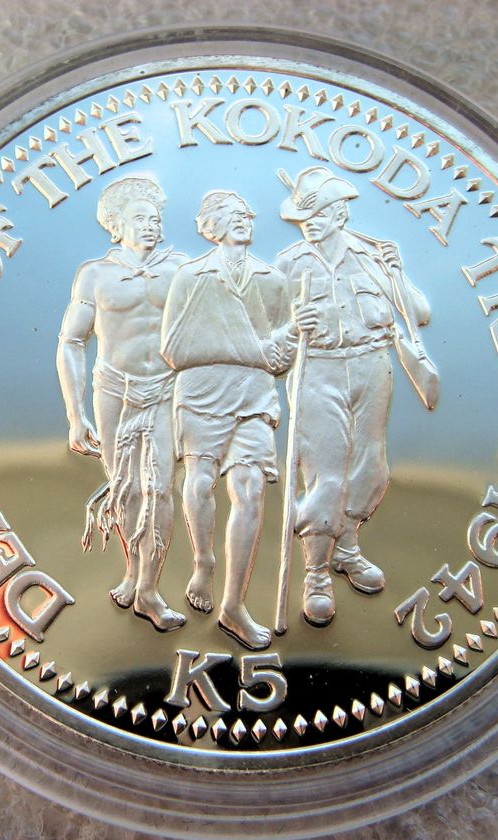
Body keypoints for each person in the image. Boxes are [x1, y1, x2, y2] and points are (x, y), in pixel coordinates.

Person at [276, 166, 431, 626]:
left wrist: (398, 273)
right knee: (325, 473)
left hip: (372, 364)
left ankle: (347, 548)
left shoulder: (372, 256)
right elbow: (264, 332)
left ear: (340, 214)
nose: (310, 223)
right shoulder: (288, 263)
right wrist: (292, 325)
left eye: (319, 214)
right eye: (304, 217)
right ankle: (316, 573)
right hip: (317, 369)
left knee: (371, 466)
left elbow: (420, 313)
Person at [161, 190, 294, 650]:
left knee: (250, 488)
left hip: (254, 394)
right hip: (202, 392)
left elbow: (282, 349)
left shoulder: (273, 280)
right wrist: (253, 350)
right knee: (199, 482)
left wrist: (285, 345)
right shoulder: (190, 276)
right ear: (212, 225)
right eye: (233, 215)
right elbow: (173, 349)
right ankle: (204, 562)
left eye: (246, 214)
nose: (243, 220)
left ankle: (234, 605)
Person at [56, 175, 188, 631]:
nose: (152, 225)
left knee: (159, 488)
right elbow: (72, 341)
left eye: (156, 218)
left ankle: (148, 590)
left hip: (168, 390)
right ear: (116, 225)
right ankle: (133, 572)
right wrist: (75, 415)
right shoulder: (95, 274)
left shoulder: (182, 269)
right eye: (140, 217)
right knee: (125, 488)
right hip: (114, 390)